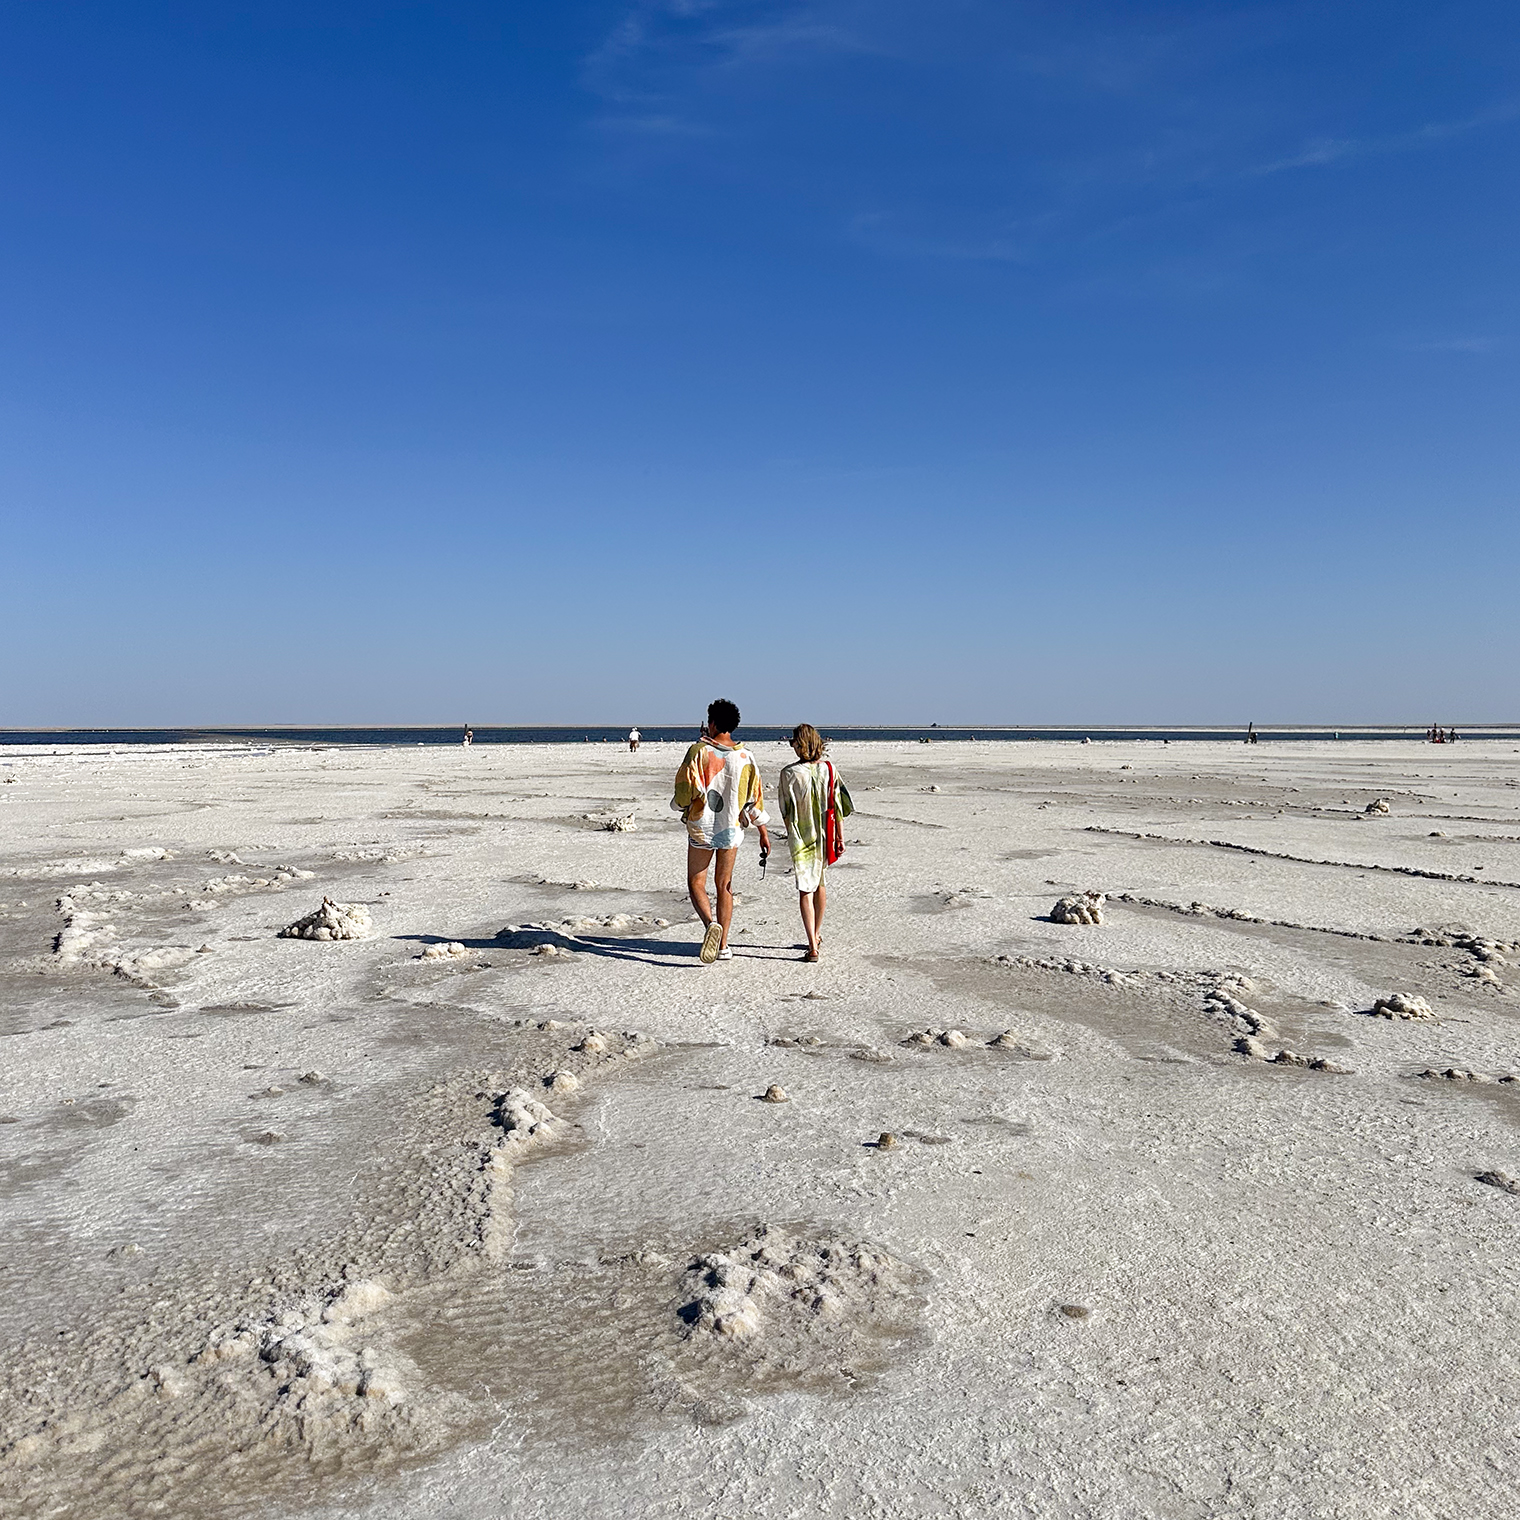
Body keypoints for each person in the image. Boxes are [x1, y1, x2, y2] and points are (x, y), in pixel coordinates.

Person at [671, 699, 770, 964]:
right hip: (731, 828)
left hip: (702, 826)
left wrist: (680, 806)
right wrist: (762, 830)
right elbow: (754, 798)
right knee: (724, 885)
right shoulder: (746, 756)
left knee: (696, 883)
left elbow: (684, 790)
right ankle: (724, 945)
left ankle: (710, 925)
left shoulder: (698, 751)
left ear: (712, 722)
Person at [777, 723, 853, 963]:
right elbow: (839, 807)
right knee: (819, 884)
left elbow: (785, 811)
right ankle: (816, 934)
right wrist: (839, 836)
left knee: (805, 889)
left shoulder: (789, 774)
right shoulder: (829, 769)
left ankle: (812, 944)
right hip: (824, 834)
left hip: (801, 837)